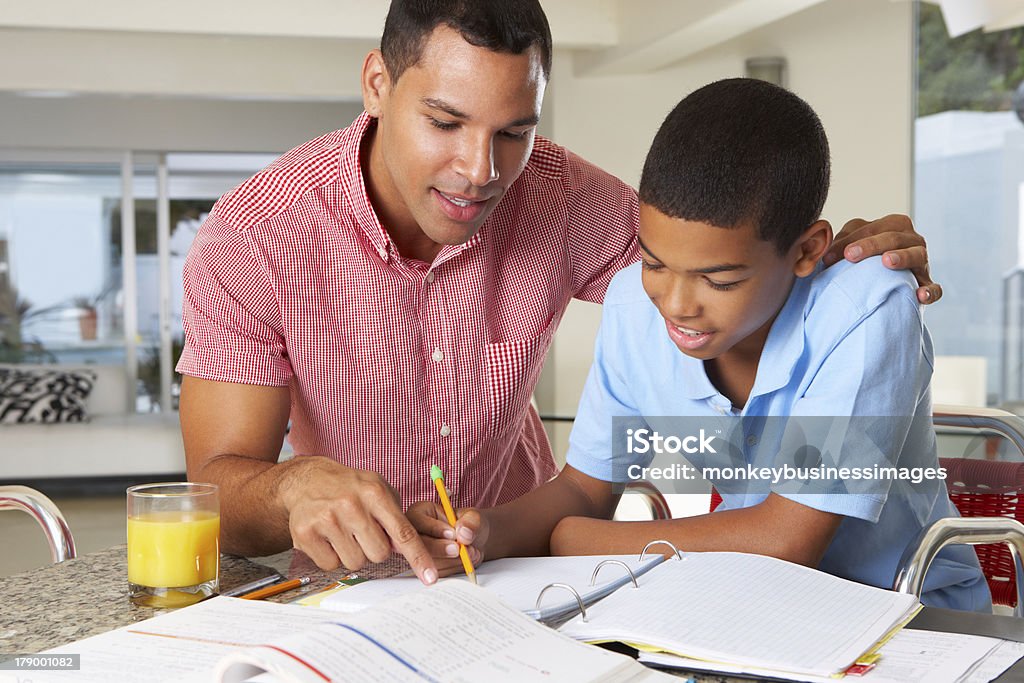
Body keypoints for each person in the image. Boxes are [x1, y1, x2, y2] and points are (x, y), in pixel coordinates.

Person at [178, 0, 941, 586]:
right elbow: (214, 491)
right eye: (445, 122)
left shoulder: (569, 202)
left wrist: (853, 265)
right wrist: (290, 487)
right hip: (351, 586)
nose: (482, 170)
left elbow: (718, 240)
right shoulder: (254, 238)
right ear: (377, 83)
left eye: (515, 131)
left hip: (518, 577)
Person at [410, 78, 990, 611]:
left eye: (720, 280)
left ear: (808, 251)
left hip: (907, 615)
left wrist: (583, 540)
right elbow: (584, 489)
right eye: (654, 261)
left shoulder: (865, 306)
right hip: (744, 607)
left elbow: (786, 541)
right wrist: (487, 531)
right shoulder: (634, 308)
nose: (678, 303)